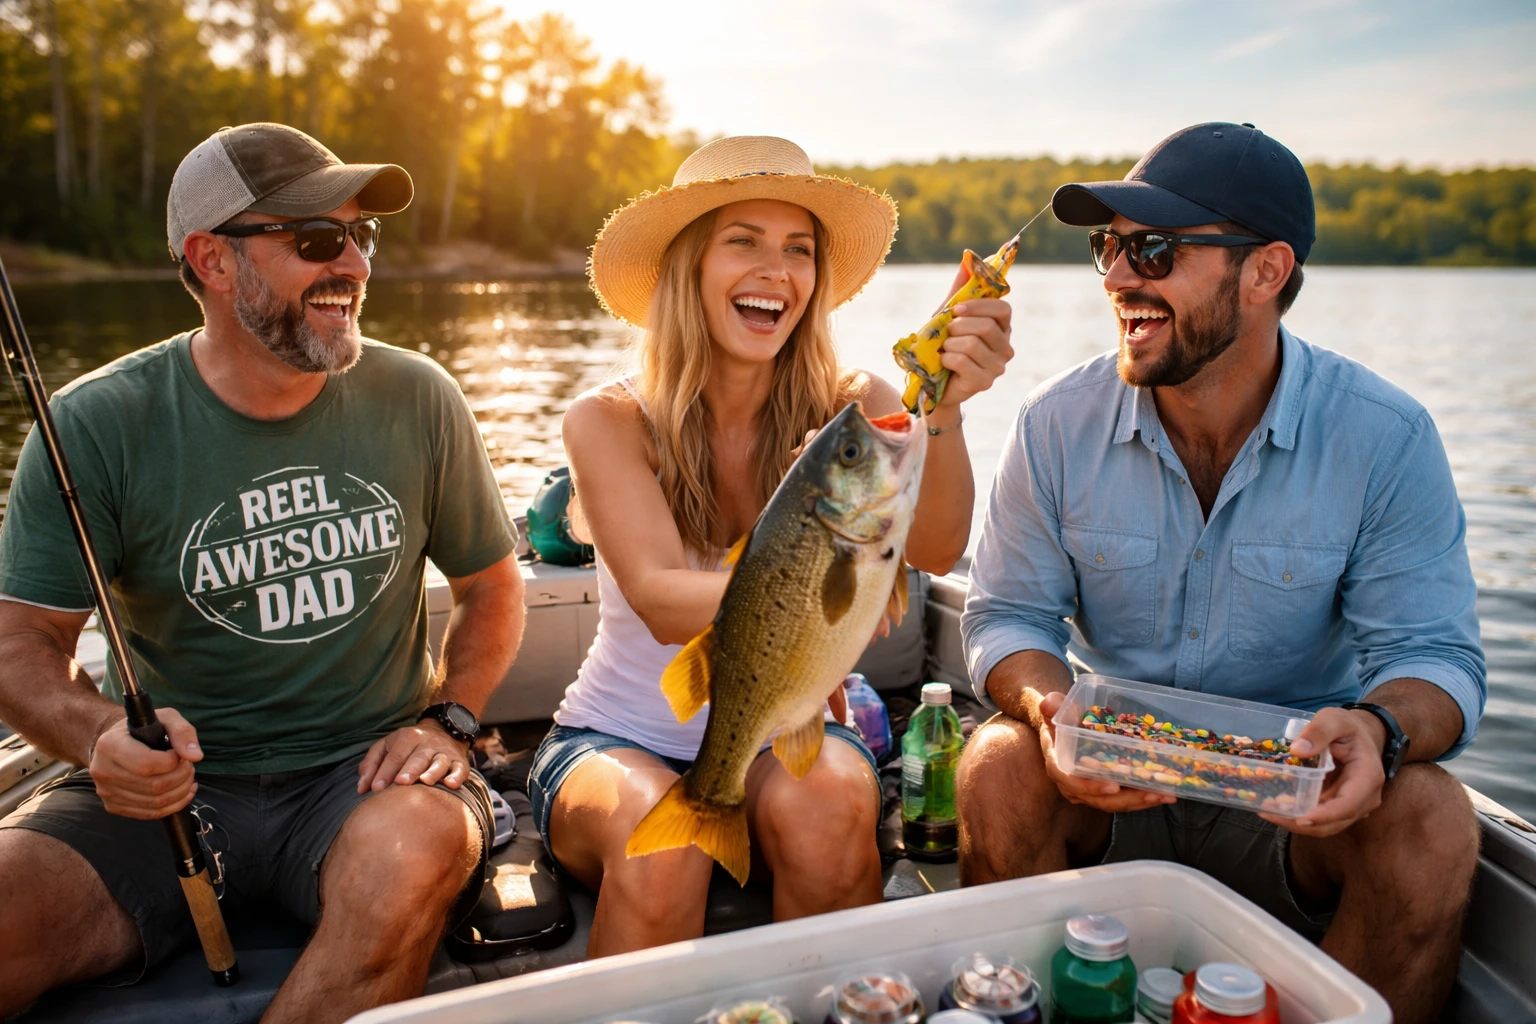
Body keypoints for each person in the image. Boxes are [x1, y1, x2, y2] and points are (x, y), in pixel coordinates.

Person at [955, 123, 1484, 1024]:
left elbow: (1437, 659)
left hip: (1295, 803)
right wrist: (1052, 710)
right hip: (1113, 786)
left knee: (1433, 817)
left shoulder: (1386, 438)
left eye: (1153, 250)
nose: (1120, 277)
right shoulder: (1053, 425)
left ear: (1267, 273)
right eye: (1108, 247)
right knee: (997, 763)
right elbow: (1005, 619)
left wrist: (1378, 730)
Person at [0, 123, 525, 1024]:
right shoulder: (92, 424)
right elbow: (20, 643)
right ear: (211, 260)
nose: (355, 266)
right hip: (163, 801)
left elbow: (492, 589)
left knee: (408, 856)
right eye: (318, 239)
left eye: (363, 237)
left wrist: (449, 718)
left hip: (366, 779)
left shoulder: (420, 396)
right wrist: (99, 740)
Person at [533, 135, 1014, 957]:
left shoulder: (855, 407)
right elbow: (656, 600)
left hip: (786, 721)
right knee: (667, 845)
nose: (777, 271)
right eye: (743, 242)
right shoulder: (606, 419)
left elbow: (935, 549)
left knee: (833, 810)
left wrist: (946, 408)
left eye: (799, 250)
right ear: (687, 266)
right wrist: (817, 551)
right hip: (614, 738)